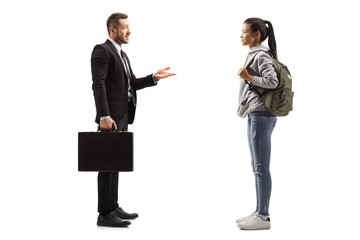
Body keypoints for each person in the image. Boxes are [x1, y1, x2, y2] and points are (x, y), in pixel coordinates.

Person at [91, 12, 176, 227]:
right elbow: (98, 84)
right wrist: (104, 115)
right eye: (125, 27)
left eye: (129, 27)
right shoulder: (102, 50)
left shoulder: (122, 54)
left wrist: (153, 78)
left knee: (116, 163)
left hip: (122, 116)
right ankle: (104, 214)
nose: (129, 31)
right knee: (106, 166)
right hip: (109, 118)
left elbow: (129, 84)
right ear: (113, 30)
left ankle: (113, 206)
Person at [235, 17, 279, 230]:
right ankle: (259, 211)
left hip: (261, 115)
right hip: (256, 114)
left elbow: (273, 82)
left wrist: (249, 77)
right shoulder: (254, 54)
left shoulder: (260, 55)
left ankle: (263, 216)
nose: (241, 35)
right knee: (257, 166)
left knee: (261, 167)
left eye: (244, 32)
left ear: (257, 35)